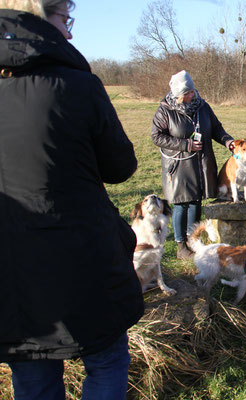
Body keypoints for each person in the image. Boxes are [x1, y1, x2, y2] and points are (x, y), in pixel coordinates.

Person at [0, 1, 144, 399]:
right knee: (107, 361)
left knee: (31, 376)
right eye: (66, 19)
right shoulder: (77, 85)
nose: (71, 32)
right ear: (41, 17)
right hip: (83, 262)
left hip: (10, 273)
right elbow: (120, 166)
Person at [151, 70, 235, 260]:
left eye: (192, 91)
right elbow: (156, 136)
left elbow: (216, 128)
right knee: (181, 203)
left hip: (201, 163)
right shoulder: (165, 110)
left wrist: (228, 141)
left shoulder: (202, 106)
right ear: (178, 96)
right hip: (178, 165)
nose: (192, 95)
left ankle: (193, 241)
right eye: (188, 93)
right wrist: (186, 145)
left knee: (195, 202)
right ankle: (181, 247)